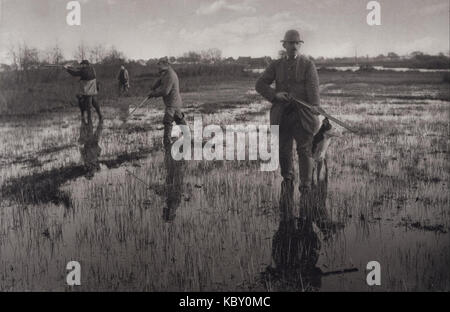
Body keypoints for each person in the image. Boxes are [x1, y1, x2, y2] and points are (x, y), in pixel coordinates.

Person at [255, 29, 322, 221]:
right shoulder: (275, 65)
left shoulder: (308, 65)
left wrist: (315, 106)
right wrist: (275, 95)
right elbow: (260, 84)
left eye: (296, 43)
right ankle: (288, 179)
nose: (293, 46)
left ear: (300, 45)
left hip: (303, 116)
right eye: (289, 43)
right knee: (284, 151)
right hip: (282, 115)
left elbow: (313, 88)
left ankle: (306, 186)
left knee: (304, 150)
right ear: (283, 45)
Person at [147, 57, 188, 149]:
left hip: (172, 103)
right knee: (179, 119)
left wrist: (154, 94)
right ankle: (187, 136)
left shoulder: (170, 75)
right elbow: (159, 81)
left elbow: (165, 91)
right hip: (174, 103)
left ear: (165, 65)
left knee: (167, 121)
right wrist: (153, 87)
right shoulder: (165, 74)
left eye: (159, 65)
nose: (158, 67)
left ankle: (167, 143)